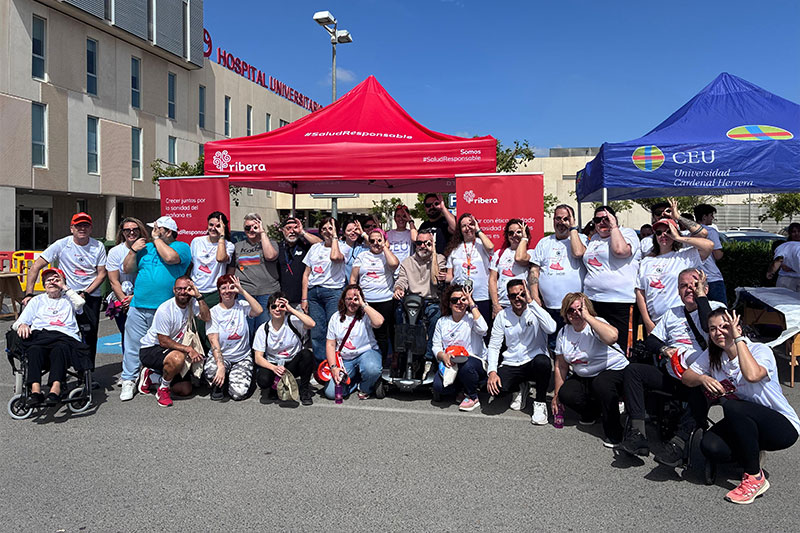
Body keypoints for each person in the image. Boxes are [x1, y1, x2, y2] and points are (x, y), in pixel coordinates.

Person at [682, 309, 799, 504]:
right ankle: (750, 452)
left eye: (724, 326)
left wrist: (738, 339)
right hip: (744, 423)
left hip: (781, 426)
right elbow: (687, 378)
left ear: (738, 327)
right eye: (713, 329)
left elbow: (752, 375)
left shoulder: (760, 351)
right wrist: (703, 378)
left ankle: (754, 476)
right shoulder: (714, 355)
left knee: (733, 407)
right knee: (711, 446)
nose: (718, 332)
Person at [621, 268, 724, 465]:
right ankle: (637, 434)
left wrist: (701, 297)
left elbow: (707, 327)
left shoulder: (717, 309)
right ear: (678, 291)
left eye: (695, 285)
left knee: (701, 388)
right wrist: (665, 349)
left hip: (702, 380)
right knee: (634, 371)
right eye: (684, 286)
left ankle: (678, 443)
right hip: (673, 375)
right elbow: (651, 341)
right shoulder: (672, 313)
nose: (689, 289)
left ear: (705, 288)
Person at [119, 216, 192, 401]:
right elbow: (127, 269)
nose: (153, 232)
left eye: (157, 229)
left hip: (163, 309)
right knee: (132, 345)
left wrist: (157, 239)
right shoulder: (146, 247)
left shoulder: (181, 247)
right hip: (138, 305)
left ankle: (153, 376)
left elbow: (170, 258)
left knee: (161, 347)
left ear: (167, 231)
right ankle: (129, 379)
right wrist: (133, 251)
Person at [24, 212, 107, 368]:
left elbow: (101, 274)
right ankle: (61, 369)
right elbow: (35, 267)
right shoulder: (62, 244)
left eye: (85, 225)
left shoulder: (98, 246)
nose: (82, 228)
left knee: (89, 334)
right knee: (64, 332)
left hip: (90, 295)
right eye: (78, 225)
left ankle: (86, 371)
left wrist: (86, 293)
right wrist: (29, 294)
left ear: (90, 228)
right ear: (71, 228)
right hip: (66, 295)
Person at [552, 293, 628, 447]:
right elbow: (561, 365)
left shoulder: (596, 323)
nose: (576, 314)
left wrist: (588, 317)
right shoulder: (564, 332)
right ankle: (593, 411)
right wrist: (556, 395)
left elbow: (613, 337)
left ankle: (615, 433)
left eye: (579, 309)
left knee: (602, 384)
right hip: (586, 374)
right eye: (571, 310)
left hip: (613, 369)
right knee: (566, 393)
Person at [13, 268, 86, 407]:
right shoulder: (37, 300)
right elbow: (17, 324)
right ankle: (35, 392)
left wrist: (64, 287)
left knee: (60, 349)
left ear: (62, 282)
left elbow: (81, 303)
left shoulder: (69, 299)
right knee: (34, 350)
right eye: (48, 280)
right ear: (44, 284)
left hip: (64, 336)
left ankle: (55, 390)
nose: (52, 282)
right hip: (41, 336)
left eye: (56, 279)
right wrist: (22, 325)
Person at [487, 280, 556, 424]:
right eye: (513, 296)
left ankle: (540, 403)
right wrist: (492, 372)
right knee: (495, 390)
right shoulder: (502, 315)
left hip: (533, 361)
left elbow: (551, 328)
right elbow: (494, 345)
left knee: (542, 361)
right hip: (512, 362)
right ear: (508, 297)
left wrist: (531, 301)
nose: (518, 298)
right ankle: (520, 387)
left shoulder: (535, 310)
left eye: (521, 294)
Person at [573, 205, 640, 355]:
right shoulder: (594, 239)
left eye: (606, 219)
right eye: (598, 220)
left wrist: (614, 227)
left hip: (620, 301)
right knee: (596, 343)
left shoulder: (626, 233)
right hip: (593, 300)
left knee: (622, 346)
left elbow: (620, 251)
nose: (602, 223)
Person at [137, 276, 211, 407]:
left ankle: (152, 377)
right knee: (178, 358)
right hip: (152, 349)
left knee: (184, 390)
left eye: (186, 289)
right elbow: (163, 341)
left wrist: (198, 296)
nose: (182, 292)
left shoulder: (191, 304)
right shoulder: (165, 309)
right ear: (174, 290)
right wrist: (188, 349)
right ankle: (163, 389)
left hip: (174, 349)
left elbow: (206, 317)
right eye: (179, 289)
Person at [636, 214, 713, 335]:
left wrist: (678, 237)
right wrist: (647, 322)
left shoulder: (684, 256)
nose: (663, 235)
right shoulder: (646, 261)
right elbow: (640, 292)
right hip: (656, 322)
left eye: (668, 232)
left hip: (681, 321)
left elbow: (709, 245)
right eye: (659, 232)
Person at [528, 205, 587, 341]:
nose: (561, 222)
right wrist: (535, 296)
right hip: (549, 307)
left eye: (566, 218)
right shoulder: (544, 242)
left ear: (572, 220)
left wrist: (573, 228)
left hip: (574, 308)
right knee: (553, 345)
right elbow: (534, 270)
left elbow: (578, 253)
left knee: (575, 343)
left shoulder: (580, 239)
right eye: (558, 218)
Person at [204, 275, 263, 401]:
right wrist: (220, 366)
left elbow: (258, 311)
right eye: (223, 288)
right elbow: (213, 341)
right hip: (222, 357)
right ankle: (220, 383)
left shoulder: (241, 305)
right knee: (211, 372)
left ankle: (237, 377)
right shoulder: (214, 312)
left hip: (241, 357)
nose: (227, 291)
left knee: (238, 394)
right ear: (219, 291)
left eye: (231, 287)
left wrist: (242, 291)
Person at [431, 284, 488, 411]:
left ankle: (473, 396)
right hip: (451, 362)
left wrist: (471, 303)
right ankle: (461, 389)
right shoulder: (442, 322)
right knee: (439, 387)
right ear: (449, 304)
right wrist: (443, 356)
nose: (459, 303)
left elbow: (484, 329)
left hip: (473, 361)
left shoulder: (472, 318)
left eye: (463, 300)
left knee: (466, 365)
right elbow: (436, 346)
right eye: (454, 300)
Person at [393, 229, 447, 363]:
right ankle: (403, 354)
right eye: (419, 243)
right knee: (399, 314)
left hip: (431, 300)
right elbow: (402, 280)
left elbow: (436, 281)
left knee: (436, 317)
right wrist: (399, 289)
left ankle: (428, 358)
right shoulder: (407, 262)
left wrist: (433, 252)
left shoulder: (439, 259)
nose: (422, 246)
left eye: (426, 243)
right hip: (412, 299)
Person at [253, 292, 316, 405]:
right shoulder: (263, 329)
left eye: (281, 306)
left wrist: (291, 309)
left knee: (307, 354)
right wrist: (273, 368)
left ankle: (304, 390)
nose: (278, 309)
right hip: (274, 364)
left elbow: (311, 324)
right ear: (269, 309)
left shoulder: (293, 322)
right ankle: (273, 387)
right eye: (274, 306)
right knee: (263, 380)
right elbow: (258, 358)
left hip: (292, 363)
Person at [324, 284, 384, 400]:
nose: (352, 302)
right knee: (332, 393)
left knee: (372, 369)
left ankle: (365, 387)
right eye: (349, 299)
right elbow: (330, 344)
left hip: (366, 353)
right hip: (345, 359)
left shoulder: (366, 314)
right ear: (343, 300)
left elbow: (379, 322)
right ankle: (355, 381)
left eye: (355, 299)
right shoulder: (335, 318)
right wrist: (334, 368)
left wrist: (363, 304)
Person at [302, 217, 349, 362]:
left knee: (334, 329)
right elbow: (306, 274)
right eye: (324, 229)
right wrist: (304, 298)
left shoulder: (344, 247)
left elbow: (335, 257)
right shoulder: (315, 248)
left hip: (333, 292)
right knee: (317, 331)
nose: (327, 232)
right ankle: (321, 366)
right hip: (314, 293)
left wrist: (335, 236)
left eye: (330, 228)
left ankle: (336, 363)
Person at [350, 227, 399, 362]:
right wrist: (354, 296)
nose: (376, 243)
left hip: (385, 300)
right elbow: (353, 279)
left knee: (383, 334)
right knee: (365, 332)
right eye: (372, 241)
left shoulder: (387, 255)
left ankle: (382, 363)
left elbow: (394, 264)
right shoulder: (362, 256)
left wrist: (384, 247)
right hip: (366, 301)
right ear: (368, 242)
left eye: (379, 240)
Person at [230, 212, 279, 337]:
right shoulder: (238, 246)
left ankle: (262, 356)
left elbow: (270, 256)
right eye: (247, 227)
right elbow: (231, 269)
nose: (251, 230)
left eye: (254, 227)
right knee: (245, 330)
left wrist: (262, 233)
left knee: (264, 330)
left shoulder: (270, 243)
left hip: (267, 293)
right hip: (245, 294)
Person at [445, 213, 495, 326]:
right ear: (460, 229)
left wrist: (477, 229)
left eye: (471, 224)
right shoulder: (454, 249)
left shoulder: (482, 243)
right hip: (460, 299)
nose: (468, 228)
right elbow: (449, 276)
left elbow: (491, 247)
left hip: (481, 296)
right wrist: (443, 277)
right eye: (464, 226)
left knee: (483, 329)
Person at [106, 217, 148, 352]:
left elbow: (150, 278)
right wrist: (124, 301)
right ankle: (130, 368)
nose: (131, 233)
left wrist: (135, 297)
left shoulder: (148, 249)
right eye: (127, 230)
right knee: (127, 335)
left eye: (135, 229)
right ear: (122, 232)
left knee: (147, 336)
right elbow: (114, 281)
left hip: (143, 297)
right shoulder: (115, 252)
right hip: (122, 299)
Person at [489, 218, 533, 317]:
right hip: (503, 304)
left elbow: (519, 257)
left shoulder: (531, 253)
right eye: (511, 233)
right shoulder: (499, 254)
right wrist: (495, 304)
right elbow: (492, 280)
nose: (514, 235)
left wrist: (524, 239)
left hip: (523, 304)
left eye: (519, 232)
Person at [276, 217, 322, 309]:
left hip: (302, 300)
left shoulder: (305, 246)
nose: (292, 231)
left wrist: (302, 232)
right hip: (282, 300)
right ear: (282, 230)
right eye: (288, 228)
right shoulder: (278, 247)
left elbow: (320, 244)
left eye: (295, 228)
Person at [639, 200, 707, 256]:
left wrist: (678, 217)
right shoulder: (646, 241)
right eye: (658, 213)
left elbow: (703, 234)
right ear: (653, 217)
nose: (663, 214)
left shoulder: (684, 235)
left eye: (668, 211)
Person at [694, 204, 726, 305]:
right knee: (720, 310)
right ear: (704, 217)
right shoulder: (711, 232)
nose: (713, 218)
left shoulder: (688, 232)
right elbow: (718, 255)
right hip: (712, 277)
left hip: (695, 276)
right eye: (711, 215)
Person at [766, 222, 800, 290]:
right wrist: (771, 272)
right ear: (790, 233)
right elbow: (778, 260)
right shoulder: (785, 246)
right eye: (794, 232)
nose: (797, 234)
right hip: (787, 279)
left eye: (799, 231)